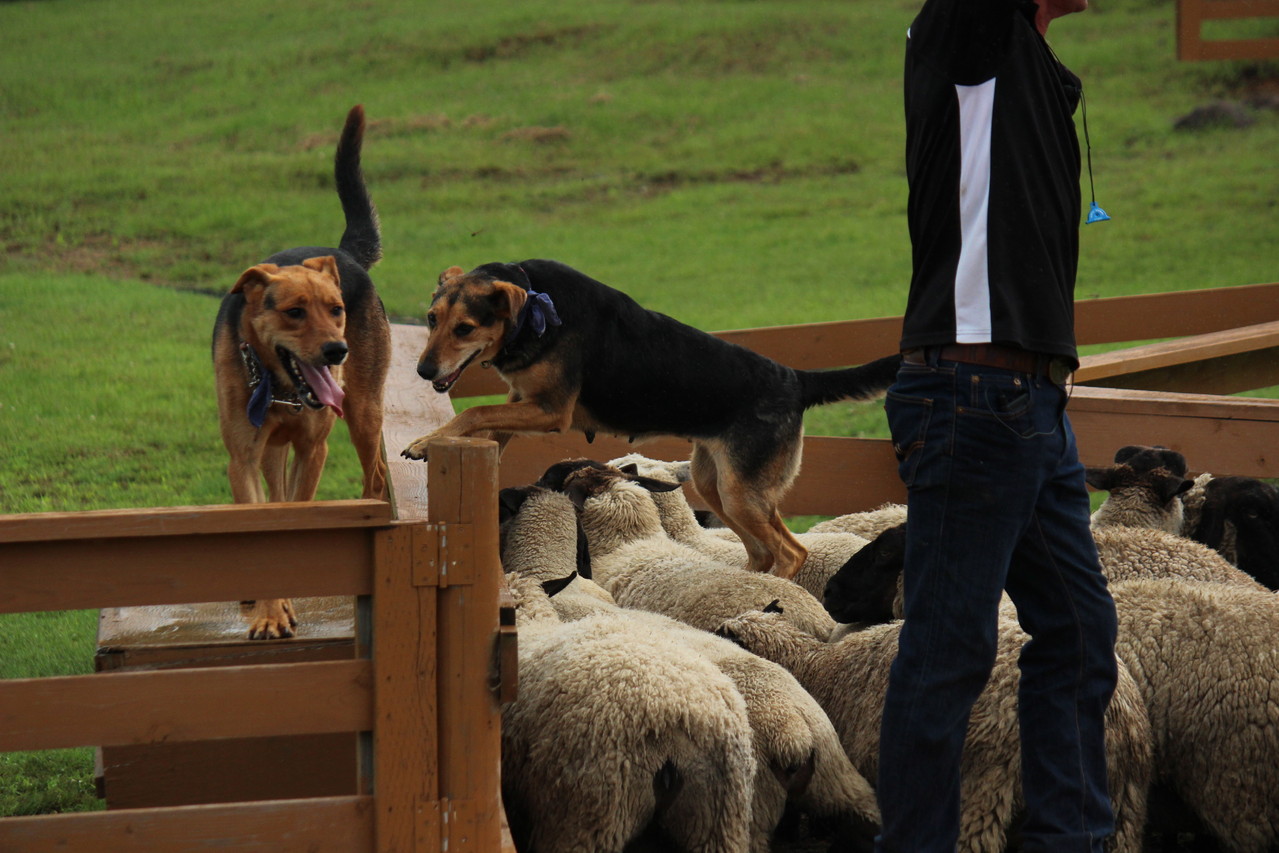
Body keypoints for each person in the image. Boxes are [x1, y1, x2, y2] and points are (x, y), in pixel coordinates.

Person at [875, 0, 1120, 849]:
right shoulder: (968, 30)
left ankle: (1072, 839)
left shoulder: (1034, 68)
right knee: (948, 653)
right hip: (972, 395)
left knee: (1081, 631)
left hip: (1030, 406)